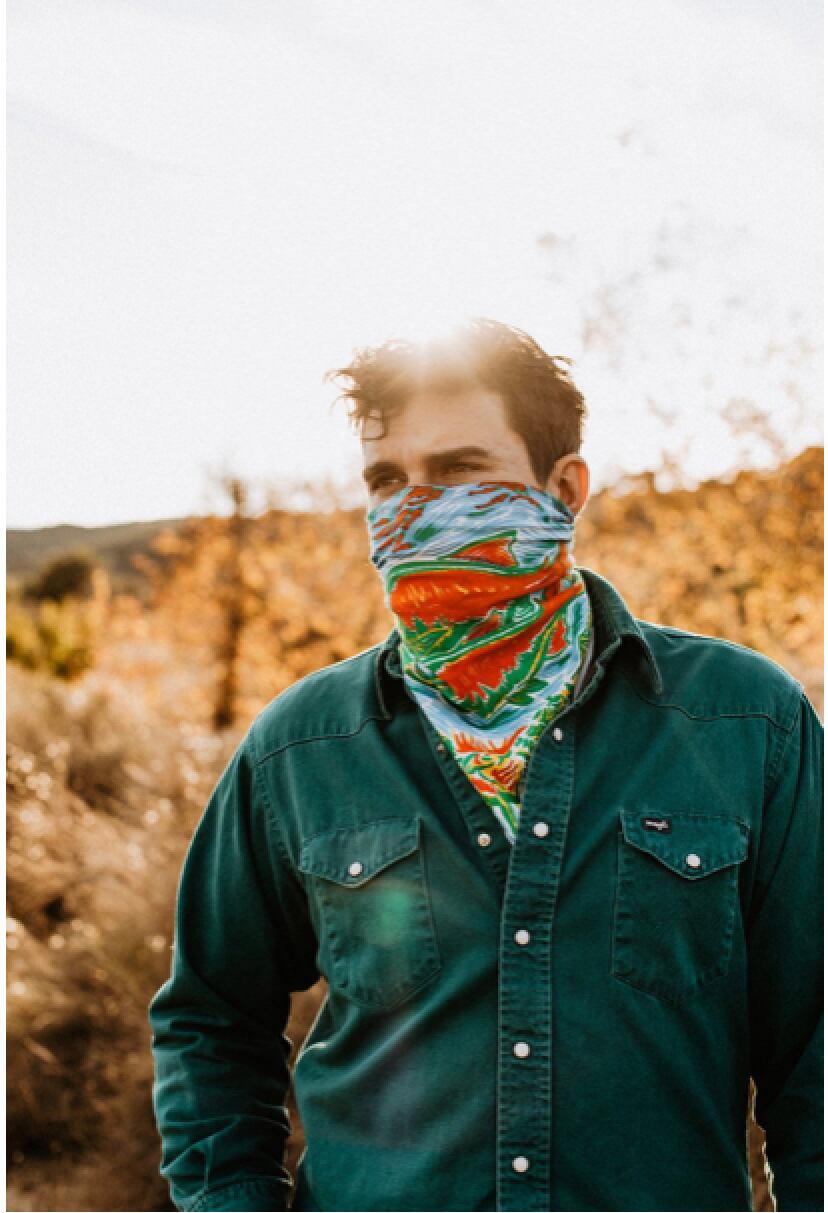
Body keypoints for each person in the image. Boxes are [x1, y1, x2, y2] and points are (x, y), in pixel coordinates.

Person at [148, 319, 823, 1212]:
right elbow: (211, 1020)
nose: (416, 508)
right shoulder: (301, 747)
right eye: (387, 480)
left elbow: (815, 1045)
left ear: (564, 488)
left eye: (460, 470)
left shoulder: (745, 720)